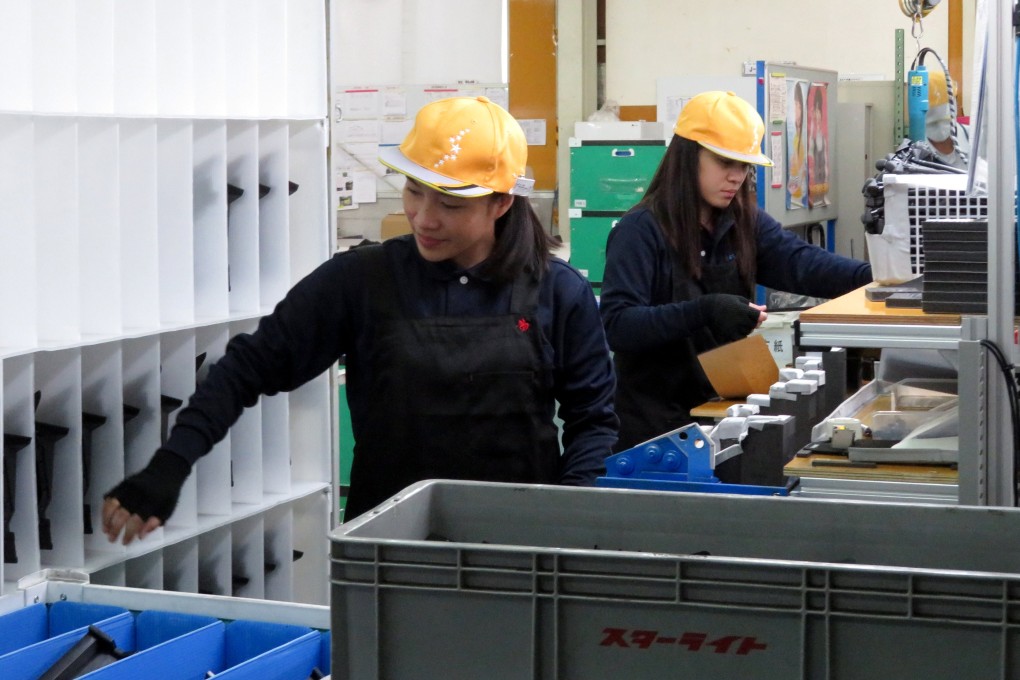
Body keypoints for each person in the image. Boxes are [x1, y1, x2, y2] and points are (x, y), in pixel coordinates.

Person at [102, 96, 619, 544]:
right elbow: (246, 369)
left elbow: (592, 420)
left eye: (449, 204)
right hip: (387, 538)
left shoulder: (558, 291)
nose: (424, 217)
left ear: (502, 202)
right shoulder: (361, 281)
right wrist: (172, 464)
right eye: (414, 191)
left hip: (520, 539)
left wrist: (567, 515)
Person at [600, 90, 872, 451]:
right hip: (653, 428)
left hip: (720, 415)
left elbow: (803, 264)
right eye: (724, 162)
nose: (736, 177)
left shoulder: (743, 223)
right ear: (687, 155)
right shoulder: (641, 230)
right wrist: (705, 311)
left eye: (743, 166)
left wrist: (877, 278)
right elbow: (619, 326)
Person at [922, 68, 970, 169]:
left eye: (945, 121)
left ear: (956, 105)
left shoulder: (976, 139)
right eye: (933, 124)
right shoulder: (915, 151)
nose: (941, 130)